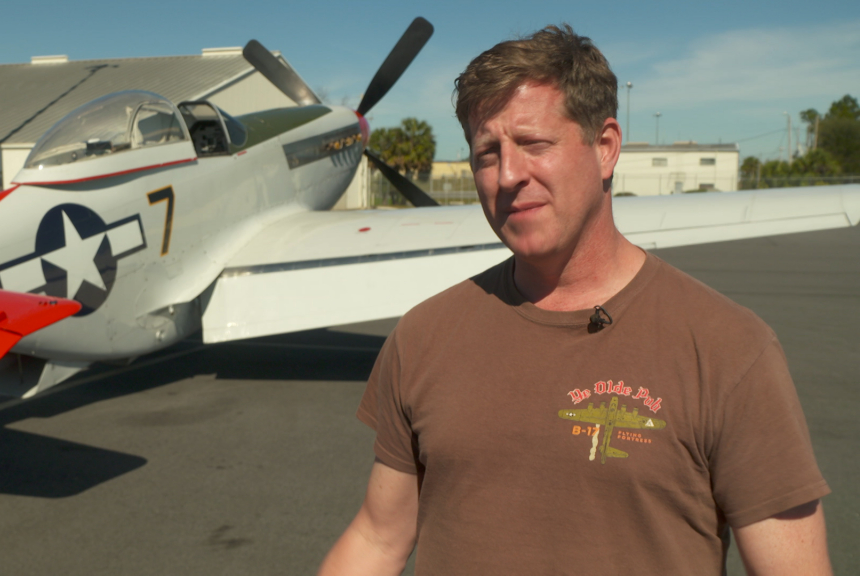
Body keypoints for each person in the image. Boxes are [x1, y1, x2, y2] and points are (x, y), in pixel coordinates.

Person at [318, 24, 832, 576]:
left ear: (605, 147)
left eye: (534, 144)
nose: (508, 175)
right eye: (486, 152)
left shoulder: (729, 349)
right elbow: (378, 538)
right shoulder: (423, 336)